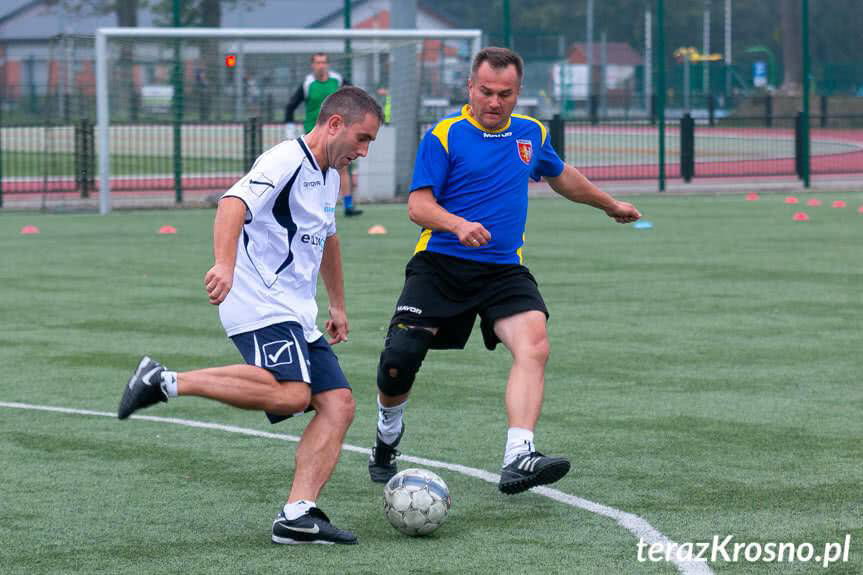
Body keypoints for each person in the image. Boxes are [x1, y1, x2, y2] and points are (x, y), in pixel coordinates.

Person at [367, 47, 641, 495]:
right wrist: (457, 224)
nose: (495, 103)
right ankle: (386, 436)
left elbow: (561, 174)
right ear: (470, 88)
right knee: (399, 360)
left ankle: (519, 455)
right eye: (487, 92)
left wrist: (609, 205)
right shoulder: (445, 135)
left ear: (518, 93)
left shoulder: (531, 133)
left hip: (502, 270)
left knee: (534, 344)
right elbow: (418, 205)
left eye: (505, 94)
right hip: (440, 264)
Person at [119, 86, 383, 544]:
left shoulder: (332, 177)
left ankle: (298, 513)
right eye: (362, 139)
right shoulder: (285, 159)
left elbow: (328, 239)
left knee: (338, 404)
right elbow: (232, 204)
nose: (363, 151)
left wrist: (337, 303)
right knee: (293, 395)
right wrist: (224, 264)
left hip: (295, 309)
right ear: (334, 124)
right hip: (257, 299)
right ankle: (162, 380)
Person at [285, 52, 362, 217]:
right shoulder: (307, 84)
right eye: (318, 63)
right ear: (312, 65)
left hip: (338, 133)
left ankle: (348, 205)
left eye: (324, 62)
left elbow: (357, 96)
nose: (321, 65)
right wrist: (290, 130)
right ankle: (312, 206)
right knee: (313, 170)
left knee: (342, 168)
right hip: (314, 134)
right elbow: (290, 106)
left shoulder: (338, 81)